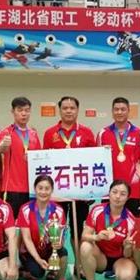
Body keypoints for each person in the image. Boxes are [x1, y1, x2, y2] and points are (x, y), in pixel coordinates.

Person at [43, 96, 96, 261]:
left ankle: (79, 264)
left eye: (72, 108)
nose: (69, 111)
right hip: (57, 191)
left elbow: (93, 161)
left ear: (77, 110)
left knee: (78, 230)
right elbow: (45, 162)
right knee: (55, 228)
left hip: (80, 192)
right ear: (59, 110)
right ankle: (55, 263)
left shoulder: (87, 132)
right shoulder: (50, 133)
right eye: (65, 108)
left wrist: (91, 191)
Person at [79, 180, 137, 280]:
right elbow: (84, 236)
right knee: (85, 246)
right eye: (114, 192)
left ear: (127, 198)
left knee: (127, 278)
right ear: (109, 193)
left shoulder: (131, 220)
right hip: (101, 257)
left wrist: (127, 246)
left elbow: (127, 255)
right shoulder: (97, 210)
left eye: (122, 194)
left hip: (120, 259)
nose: (117, 196)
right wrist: (97, 237)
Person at [17, 176, 72, 280]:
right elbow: (26, 239)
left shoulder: (58, 210)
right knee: (37, 272)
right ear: (35, 189)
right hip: (31, 252)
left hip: (49, 250)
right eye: (40, 188)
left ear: (52, 190)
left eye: (47, 188)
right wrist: (38, 259)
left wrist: (59, 243)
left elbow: (61, 235)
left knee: (63, 252)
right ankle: (33, 276)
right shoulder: (25, 209)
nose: (43, 192)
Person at [96, 97, 140, 215]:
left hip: (133, 189)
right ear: (112, 111)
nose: (119, 112)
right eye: (116, 109)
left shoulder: (139, 133)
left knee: (132, 221)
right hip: (110, 189)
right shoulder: (103, 133)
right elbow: (97, 161)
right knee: (109, 221)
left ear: (128, 111)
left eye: (123, 109)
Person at [0, 97, 42, 217]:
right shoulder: (7, 133)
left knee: (29, 223)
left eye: (27, 110)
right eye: (20, 110)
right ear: (13, 111)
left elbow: (40, 159)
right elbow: (1, 149)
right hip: (11, 189)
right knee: (10, 224)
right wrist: (4, 144)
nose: (24, 113)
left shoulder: (33, 134)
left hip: (32, 189)